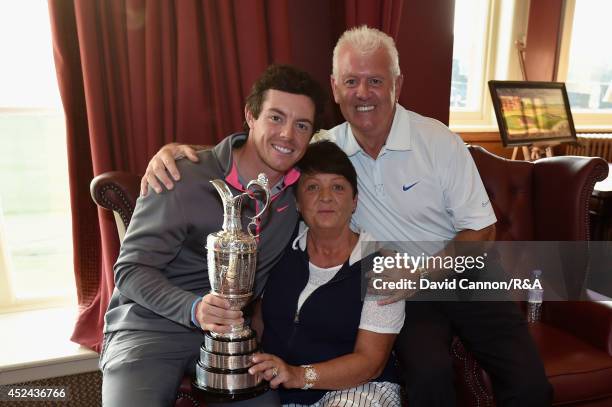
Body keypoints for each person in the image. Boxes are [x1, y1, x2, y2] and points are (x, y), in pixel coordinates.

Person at [142, 26, 552, 406]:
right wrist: (180, 153)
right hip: (399, 288)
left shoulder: (438, 141)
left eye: (376, 80)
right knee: (427, 376)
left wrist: (421, 273)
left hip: (463, 271)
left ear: (397, 85)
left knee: (528, 381)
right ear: (335, 88)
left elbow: (482, 229)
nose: (363, 92)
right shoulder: (322, 147)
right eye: (351, 81)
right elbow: (262, 148)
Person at [100, 64, 326, 407]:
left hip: (233, 339)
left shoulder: (300, 196)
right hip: (149, 328)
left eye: (302, 125)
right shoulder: (182, 176)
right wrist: (194, 309)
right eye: (276, 118)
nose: (287, 135)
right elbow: (129, 271)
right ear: (250, 115)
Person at [249, 140, 404, 406]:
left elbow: (370, 363)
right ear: (297, 202)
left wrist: (298, 375)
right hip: (277, 390)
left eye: (338, 187)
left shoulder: (383, 265)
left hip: (359, 390)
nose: (325, 197)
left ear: (354, 201)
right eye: (312, 187)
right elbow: (259, 321)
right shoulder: (278, 247)